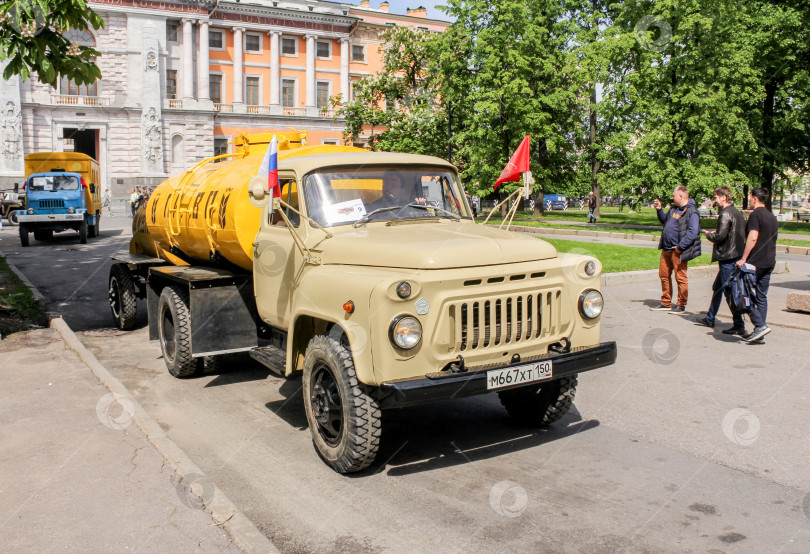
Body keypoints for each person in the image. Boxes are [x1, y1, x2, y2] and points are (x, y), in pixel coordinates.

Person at [696, 186, 745, 331]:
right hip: (736, 255)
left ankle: (739, 324)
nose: (714, 200)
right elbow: (732, 233)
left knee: (728, 291)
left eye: (716, 197)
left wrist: (709, 234)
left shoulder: (725, 214)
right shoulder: (737, 212)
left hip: (727, 257)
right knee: (718, 288)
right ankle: (710, 318)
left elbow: (720, 237)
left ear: (723, 198)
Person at [736, 187, 778, 343]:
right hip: (769, 261)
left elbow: (753, 238)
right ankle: (760, 331)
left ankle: (759, 326)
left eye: (750, 197)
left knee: (746, 294)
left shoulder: (756, 215)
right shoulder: (771, 217)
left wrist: (744, 259)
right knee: (761, 296)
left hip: (756, 262)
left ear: (754, 198)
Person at [650, 186, 701, 314]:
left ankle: (681, 305)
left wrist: (680, 247)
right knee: (664, 276)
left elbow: (693, 232)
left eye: (674, 196)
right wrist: (659, 210)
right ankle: (666, 302)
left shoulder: (691, 211)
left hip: (678, 251)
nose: (672, 197)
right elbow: (664, 220)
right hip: (666, 249)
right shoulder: (674, 209)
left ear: (681, 197)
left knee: (680, 278)